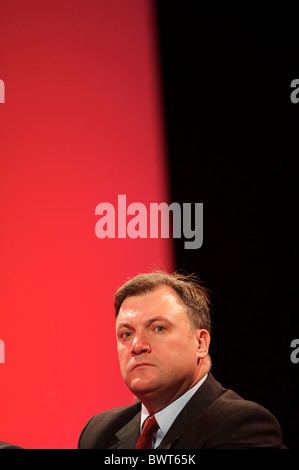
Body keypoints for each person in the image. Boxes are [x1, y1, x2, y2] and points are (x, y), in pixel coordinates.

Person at [78, 271, 284, 449]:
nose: (137, 346)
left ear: (200, 343)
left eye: (158, 328)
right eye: (126, 334)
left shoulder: (242, 425)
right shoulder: (99, 432)